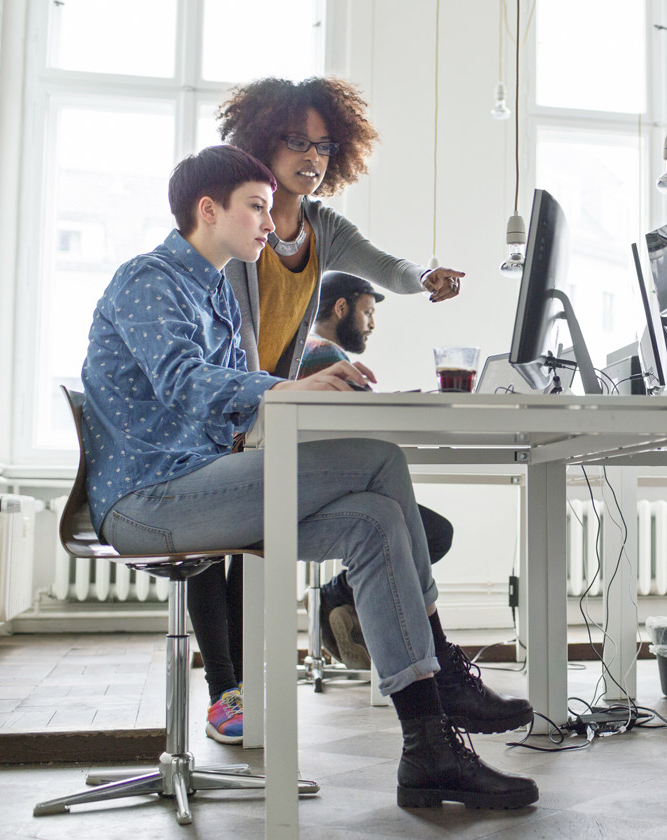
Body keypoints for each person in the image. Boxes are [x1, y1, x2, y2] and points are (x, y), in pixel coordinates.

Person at [82, 145, 538, 809]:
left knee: (375, 520)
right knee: (380, 459)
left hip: (197, 484)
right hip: (146, 500)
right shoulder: (151, 280)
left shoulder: (215, 294)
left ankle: (428, 747)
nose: (272, 224)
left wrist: (294, 397)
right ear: (209, 211)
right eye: (257, 208)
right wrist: (284, 391)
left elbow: (238, 405)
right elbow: (185, 384)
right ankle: (442, 668)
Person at [187, 75, 468, 743]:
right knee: (212, 551)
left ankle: (259, 681)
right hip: (216, 408)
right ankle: (224, 689)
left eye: (322, 145)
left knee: (258, 539)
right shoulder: (237, 217)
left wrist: (423, 278)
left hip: (268, 411)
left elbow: (384, 264)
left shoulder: (322, 227)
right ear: (263, 142)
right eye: (294, 142)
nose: (310, 157)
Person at [298, 270, 457, 673]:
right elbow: (368, 430)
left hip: (316, 482)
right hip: (330, 489)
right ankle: (336, 597)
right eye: (368, 312)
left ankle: (338, 600)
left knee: (418, 529)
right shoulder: (326, 356)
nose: (372, 324)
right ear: (340, 308)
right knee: (431, 533)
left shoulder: (306, 351)